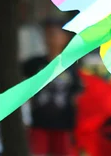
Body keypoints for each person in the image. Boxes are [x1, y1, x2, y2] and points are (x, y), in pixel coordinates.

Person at [23, 18, 83, 156]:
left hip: (64, 126)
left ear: (65, 38)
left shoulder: (72, 66)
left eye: (54, 34)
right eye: (47, 34)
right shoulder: (34, 65)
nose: (50, 38)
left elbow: (79, 93)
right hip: (39, 124)